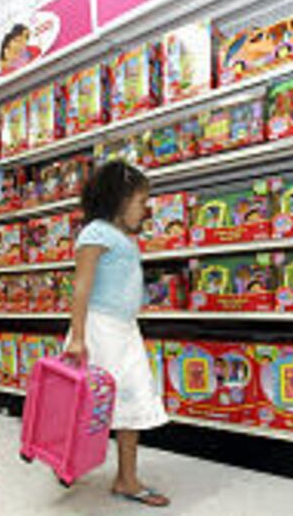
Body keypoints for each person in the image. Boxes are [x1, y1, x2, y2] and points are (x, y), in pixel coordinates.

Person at [66, 160, 170, 508]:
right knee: (87, 403)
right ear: (119, 199)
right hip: (99, 330)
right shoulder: (95, 233)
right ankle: (63, 457)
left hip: (125, 331)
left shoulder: (122, 238)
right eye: (141, 202)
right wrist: (79, 337)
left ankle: (126, 477)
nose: (146, 209)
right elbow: (81, 287)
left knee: (134, 399)